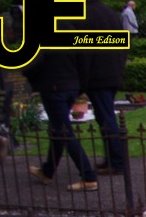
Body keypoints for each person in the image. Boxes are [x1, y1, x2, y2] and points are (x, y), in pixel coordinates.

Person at [23, 48, 97, 191]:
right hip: (71, 85)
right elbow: (83, 61)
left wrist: (34, 79)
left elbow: (34, 62)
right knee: (57, 129)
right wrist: (80, 86)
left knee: (64, 132)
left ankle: (88, 177)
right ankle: (47, 171)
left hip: (54, 86)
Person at [75, 0, 128, 176]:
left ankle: (117, 161)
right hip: (112, 73)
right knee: (104, 116)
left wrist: (81, 82)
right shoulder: (110, 13)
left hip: (98, 76)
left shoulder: (84, 16)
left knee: (106, 118)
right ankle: (111, 159)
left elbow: (84, 53)